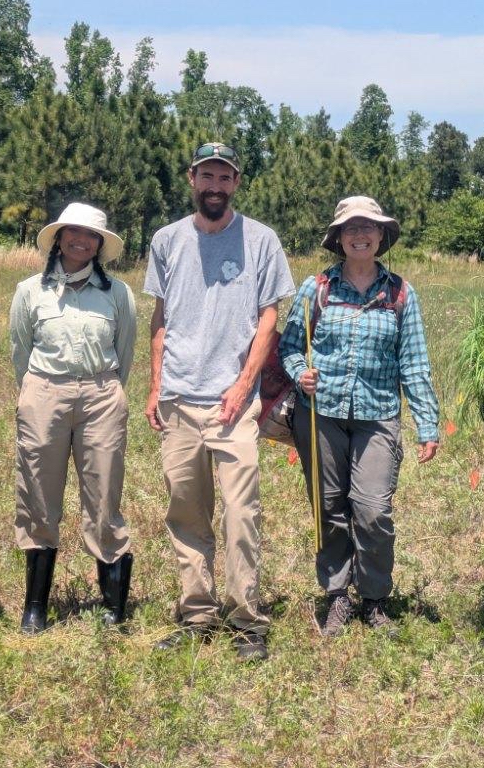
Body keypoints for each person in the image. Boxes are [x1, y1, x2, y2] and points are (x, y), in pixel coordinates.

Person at [144, 143, 295, 661]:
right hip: (180, 399)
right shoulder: (166, 241)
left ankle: (247, 619)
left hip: (235, 404)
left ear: (236, 182)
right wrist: (155, 385)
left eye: (224, 177)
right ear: (191, 178)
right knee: (185, 512)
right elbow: (161, 318)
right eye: (206, 175)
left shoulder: (261, 240)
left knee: (239, 512)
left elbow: (269, 318)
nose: (214, 185)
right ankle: (196, 613)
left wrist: (242, 385)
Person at [278, 196, 440, 638]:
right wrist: (299, 374)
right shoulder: (317, 288)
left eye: (369, 227)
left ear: (382, 236)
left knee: (372, 509)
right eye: (351, 228)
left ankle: (374, 597)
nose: (361, 234)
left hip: (378, 415)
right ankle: (336, 597)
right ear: (339, 238)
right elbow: (289, 345)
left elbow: (415, 363)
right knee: (328, 507)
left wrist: (428, 423)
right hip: (320, 415)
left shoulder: (401, 294)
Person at [10, 202, 136, 634]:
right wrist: (37, 394)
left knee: (103, 495)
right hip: (44, 391)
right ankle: (35, 607)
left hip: (102, 393)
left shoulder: (118, 293)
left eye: (90, 236)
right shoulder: (29, 291)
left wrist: (108, 390)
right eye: (73, 233)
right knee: (38, 495)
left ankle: (114, 605)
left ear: (100, 244)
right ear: (59, 237)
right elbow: (20, 351)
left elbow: (125, 352)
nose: (81, 241)